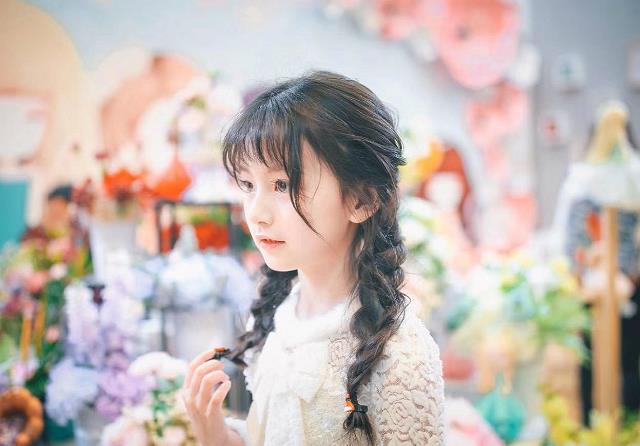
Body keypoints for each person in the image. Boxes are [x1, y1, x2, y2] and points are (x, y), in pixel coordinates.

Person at [182, 71, 444, 445]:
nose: (256, 213)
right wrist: (214, 433)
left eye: (282, 185)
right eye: (248, 185)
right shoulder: (277, 315)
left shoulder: (400, 355)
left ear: (361, 199)